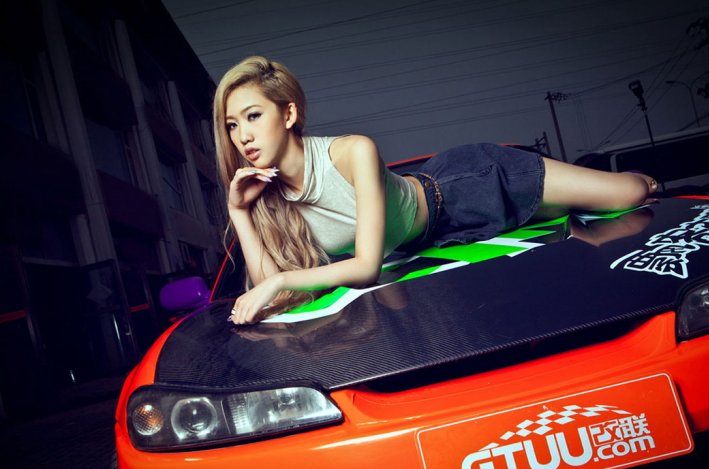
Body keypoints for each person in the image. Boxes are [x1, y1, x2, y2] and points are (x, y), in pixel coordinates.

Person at [215, 56, 658, 325]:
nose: (243, 136)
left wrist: (279, 280)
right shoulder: (265, 195)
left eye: (253, 116)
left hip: (466, 188)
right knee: (556, 216)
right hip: (437, 241)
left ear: (289, 114)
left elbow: (366, 267)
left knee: (628, 195)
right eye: (232, 125)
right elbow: (274, 293)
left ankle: (641, 175)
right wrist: (239, 212)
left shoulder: (352, 151)